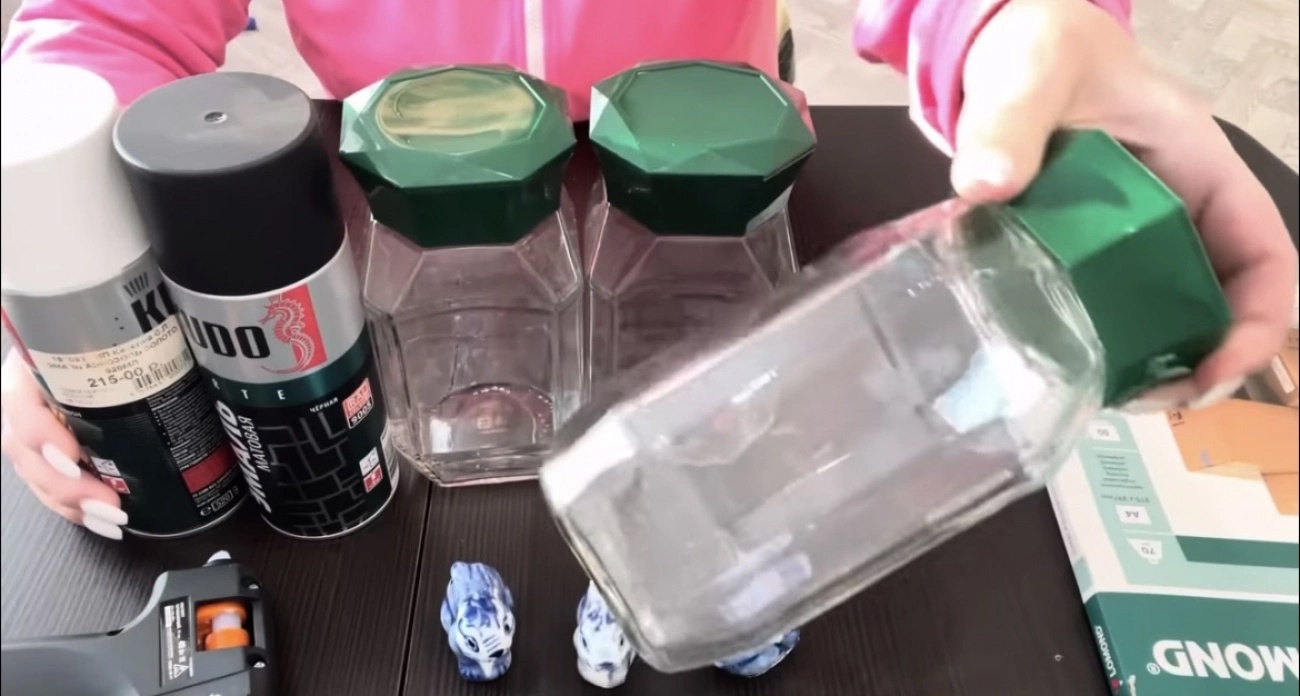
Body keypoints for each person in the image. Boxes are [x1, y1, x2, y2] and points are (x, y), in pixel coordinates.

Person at [2, 0, 1295, 539]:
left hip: (716, 174)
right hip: (396, 204)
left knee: (728, 458)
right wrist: (48, 226)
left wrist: (1012, 21)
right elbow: (106, 22)